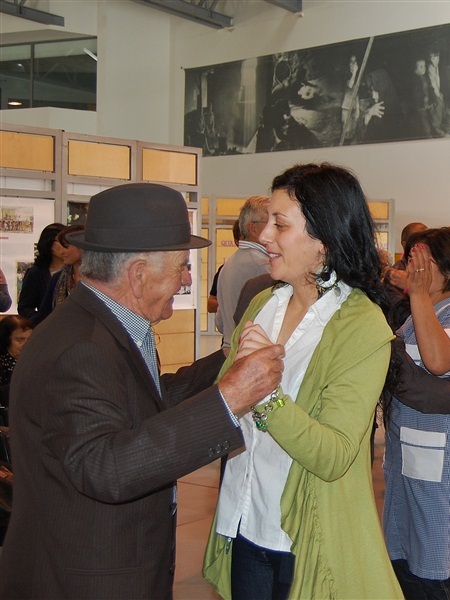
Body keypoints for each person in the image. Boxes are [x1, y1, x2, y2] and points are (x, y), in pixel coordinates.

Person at [203, 164, 450, 599]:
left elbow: (333, 455)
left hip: (301, 537)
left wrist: (265, 393)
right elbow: (223, 405)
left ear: (324, 241)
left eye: (280, 224)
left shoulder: (359, 323)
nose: (265, 237)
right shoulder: (262, 304)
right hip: (243, 520)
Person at [0, 183, 285, 599]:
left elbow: (142, 403)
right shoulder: (81, 349)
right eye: (182, 268)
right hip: (86, 578)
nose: (187, 279)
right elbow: (107, 467)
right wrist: (228, 400)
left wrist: (226, 363)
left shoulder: (95, 327)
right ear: (137, 274)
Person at [382, 227, 450, 600]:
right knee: (407, 568)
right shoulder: (422, 310)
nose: (411, 271)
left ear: (446, 268)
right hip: (409, 461)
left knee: (433, 575)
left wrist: (420, 295)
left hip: (439, 469)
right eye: (410, 261)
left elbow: (439, 360)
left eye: (420, 264)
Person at [216, 196, 270, 352]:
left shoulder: (230, 263)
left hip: (232, 352)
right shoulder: (262, 265)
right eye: (272, 224)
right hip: (248, 354)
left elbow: (220, 322)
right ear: (253, 229)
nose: (275, 230)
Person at [17, 222, 67, 323]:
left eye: (67, 241)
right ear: (48, 243)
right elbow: (25, 307)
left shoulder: (76, 270)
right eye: (60, 241)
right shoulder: (36, 273)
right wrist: (41, 319)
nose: (65, 245)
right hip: (48, 329)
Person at [36, 224, 85, 324]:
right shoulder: (57, 278)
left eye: (66, 247)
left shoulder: (100, 279)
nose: (62, 252)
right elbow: (44, 315)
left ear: (81, 247)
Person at [0, 315, 34, 412]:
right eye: (20, 340)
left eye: (30, 339)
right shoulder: (2, 364)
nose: (27, 344)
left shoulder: (35, 361)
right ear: (6, 340)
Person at [208, 221, 241, 314]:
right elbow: (211, 304)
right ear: (237, 241)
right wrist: (230, 305)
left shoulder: (267, 266)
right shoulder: (225, 269)